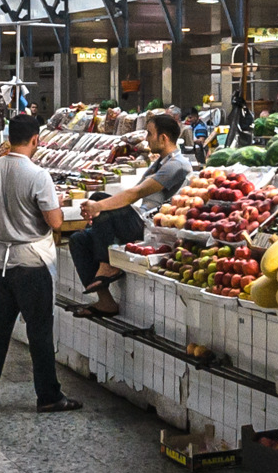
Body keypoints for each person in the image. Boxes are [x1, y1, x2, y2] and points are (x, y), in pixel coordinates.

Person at [0, 113, 81, 412]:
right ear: (36, 140)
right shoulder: (38, 175)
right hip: (32, 263)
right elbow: (56, 222)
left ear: (8, 137)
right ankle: (48, 396)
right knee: (39, 331)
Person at [70, 111, 189, 319]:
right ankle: (105, 301)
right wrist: (95, 208)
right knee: (78, 239)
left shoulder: (176, 165)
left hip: (148, 228)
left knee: (99, 199)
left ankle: (106, 265)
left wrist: (97, 207)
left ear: (164, 138)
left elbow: (136, 193)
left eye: (150, 134)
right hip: (137, 220)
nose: (146, 138)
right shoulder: (160, 162)